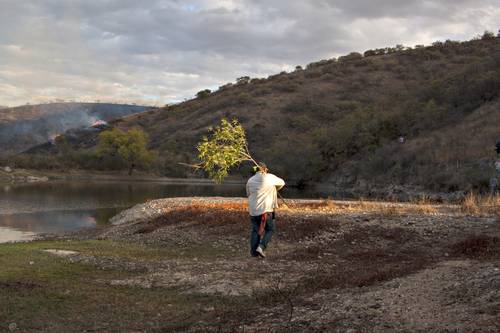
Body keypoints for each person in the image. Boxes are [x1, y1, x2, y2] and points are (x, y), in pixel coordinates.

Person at [246, 162, 285, 258]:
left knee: (256, 230)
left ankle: (253, 253)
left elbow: (248, 194)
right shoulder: (269, 177)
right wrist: (275, 188)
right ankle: (261, 247)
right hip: (265, 209)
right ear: (264, 169)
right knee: (270, 229)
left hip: (253, 210)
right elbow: (282, 183)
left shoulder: (250, 180)